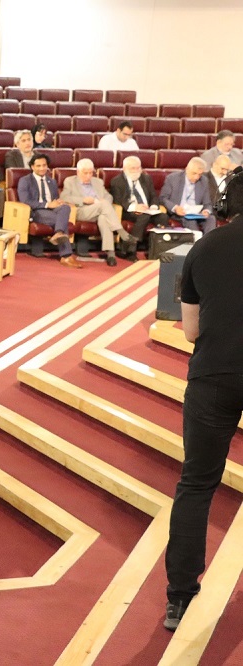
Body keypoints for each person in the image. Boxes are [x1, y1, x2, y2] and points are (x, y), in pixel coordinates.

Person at [162, 208, 243, 631]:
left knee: (196, 485)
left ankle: (179, 597)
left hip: (214, 375)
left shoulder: (205, 246)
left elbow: (190, 331)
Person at [61, 158, 136, 266]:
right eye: (85, 173)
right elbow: (64, 197)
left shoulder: (98, 182)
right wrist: (83, 200)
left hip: (100, 210)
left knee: (103, 217)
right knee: (104, 206)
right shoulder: (70, 181)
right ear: (78, 172)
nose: (88, 176)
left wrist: (104, 201)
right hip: (82, 211)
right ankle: (121, 232)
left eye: (91, 173)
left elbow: (109, 196)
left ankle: (111, 254)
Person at [17, 153, 82, 267]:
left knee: (65, 207)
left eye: (44, 165)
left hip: (52, 211)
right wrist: (47, 205)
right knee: (62, 221)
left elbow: (55, 199)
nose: (42, 168)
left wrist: (58, 202)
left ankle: (59, 233)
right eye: (38, 166)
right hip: (36, 211)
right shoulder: (25, 180)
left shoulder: (51, 181)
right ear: (32, 167)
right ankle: (66, 255)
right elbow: (25, 201)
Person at [109, 155, 169, 259]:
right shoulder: (117, 181)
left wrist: (153, 207)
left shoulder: (146, 178)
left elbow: (153, 196)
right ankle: (131, 250)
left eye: (138, 168)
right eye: (133, 168)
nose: (136, 171)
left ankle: (156, 250)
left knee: (163, 217)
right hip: (128, 211)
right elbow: (118, 201)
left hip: (148, 210)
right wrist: (135, 207)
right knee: (143, 217)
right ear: (124, 168)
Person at [159, 157, 217, 234]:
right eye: (194, 173)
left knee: (211, 219)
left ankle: (209, 241)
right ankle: (196, 240)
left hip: (197, 213)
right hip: (179, 213)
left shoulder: (204, 180)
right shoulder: (173, 178)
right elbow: (163, 198)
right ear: (187, 169)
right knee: (190, 220)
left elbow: (207, 203)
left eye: (200, 174)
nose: (197, 177)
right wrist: (175, 208)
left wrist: (206, 211)